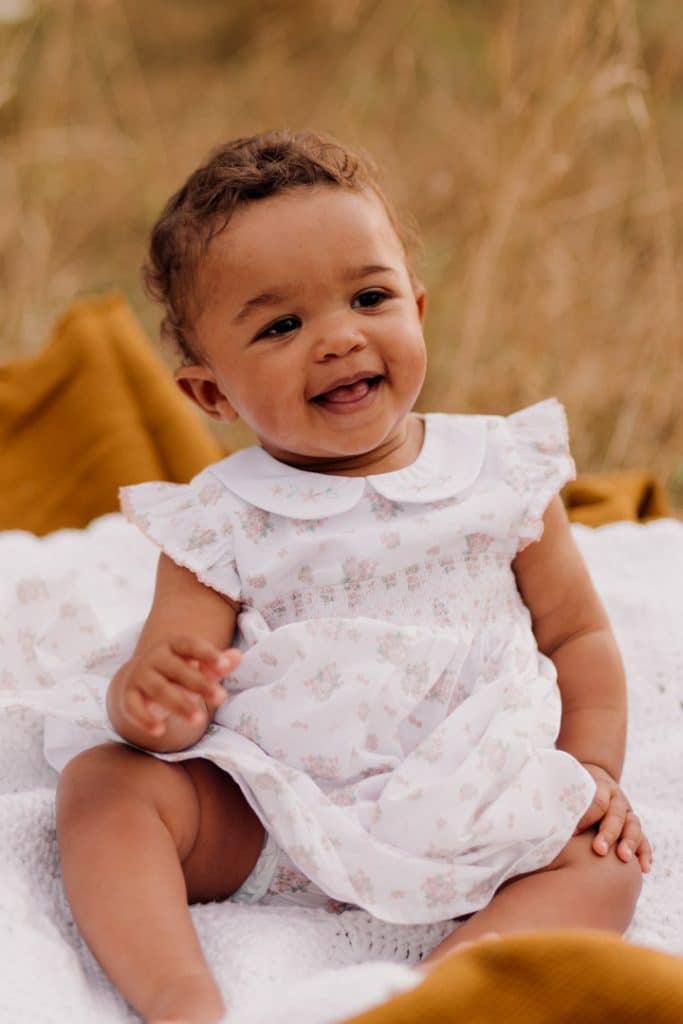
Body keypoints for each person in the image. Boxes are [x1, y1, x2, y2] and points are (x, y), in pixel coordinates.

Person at [53, 130, 650, 1024]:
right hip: (278, 813)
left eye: (368, 297)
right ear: (210, 394)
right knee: (105, 785)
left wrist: (590, 770)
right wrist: (148, 704)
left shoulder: (499, 471)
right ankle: (180, 999)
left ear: (415, 305)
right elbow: (171, 685)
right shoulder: (220, 515)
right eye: (281, 325)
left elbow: (576, 635)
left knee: (605, 859)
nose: (338, 338)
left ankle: (435, 994)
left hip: (477, 796)